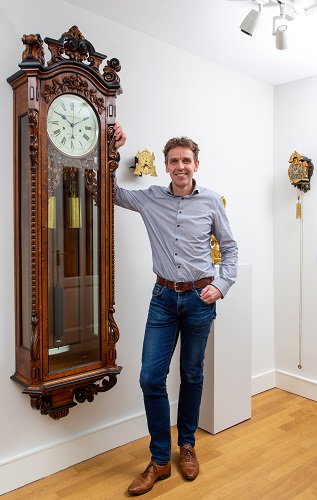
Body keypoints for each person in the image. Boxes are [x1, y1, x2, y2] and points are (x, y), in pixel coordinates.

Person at [113, 123, 238, 496]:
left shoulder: (212, 201)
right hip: (164, 300)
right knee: (151, 377)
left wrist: (222, 284)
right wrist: (113, 147)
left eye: (186, 160)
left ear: (195, 164)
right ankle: (160, 460)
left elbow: (230, 248)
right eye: (173, 161)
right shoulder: (150, 198)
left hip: (201, 300)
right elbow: (111, 192)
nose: (180, 166)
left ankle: (187, 447)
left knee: (192, 375)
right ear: (166, 166)